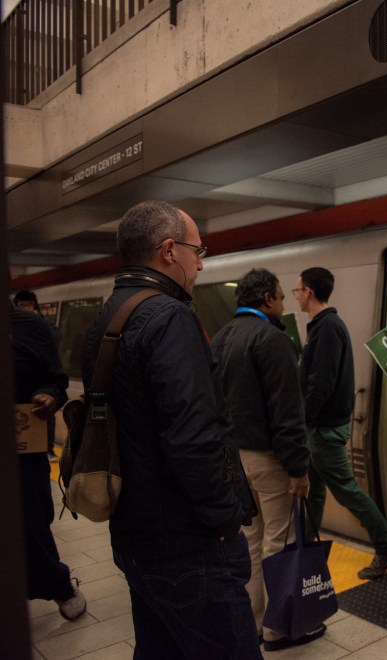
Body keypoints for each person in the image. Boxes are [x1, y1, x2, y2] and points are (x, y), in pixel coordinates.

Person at [83, 200, 261, 659]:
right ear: (168, 250)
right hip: (187, 544)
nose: (201, 263)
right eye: (197, 251)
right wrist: (226, 522)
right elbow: (194, 438)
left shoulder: (109, 316)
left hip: (135, 534)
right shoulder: (169, 318)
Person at [211, 268, 323, 652]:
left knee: (251, 542)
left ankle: (255, 622)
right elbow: (286, 411)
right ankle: (279, 628)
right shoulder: (272, 340)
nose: (283, 302)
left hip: (233, 460)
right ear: (265, 300)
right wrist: (298, 468)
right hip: (268, 459)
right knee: (280, 540)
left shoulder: (222, 338)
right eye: (279, 295)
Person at [294, 266, 387, 580]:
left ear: (309, 292)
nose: (297, 296)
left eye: (298, 290)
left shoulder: (327, 328)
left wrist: (304, 418)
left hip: (323, 428)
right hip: (319, 426)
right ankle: (305, 546)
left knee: (347, 490)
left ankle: (386, 546)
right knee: (314, 491)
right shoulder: (323, 326)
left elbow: (321, 383)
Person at [11, 300, 87, 621]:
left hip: (24, 454)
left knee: (32, 521)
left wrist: (50, 395)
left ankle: (59, 586)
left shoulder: (30, 328)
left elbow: (56, 379)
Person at [15, 289, 61, 461]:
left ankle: (48, 448)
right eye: (22, 305)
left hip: (36, 392)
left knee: (46, 418)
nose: (26, 308)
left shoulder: (42, 324)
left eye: (28, 304)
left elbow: (56, 338)